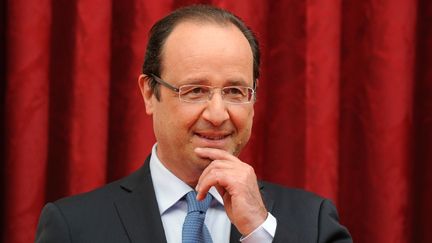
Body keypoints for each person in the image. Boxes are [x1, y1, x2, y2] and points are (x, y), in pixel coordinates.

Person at [35, 5, 352, 243]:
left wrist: (259, 231)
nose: (217, 114)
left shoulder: (314, 222)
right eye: (195, 90)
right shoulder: (74, 226)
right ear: (149, 93)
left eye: (234, 91)